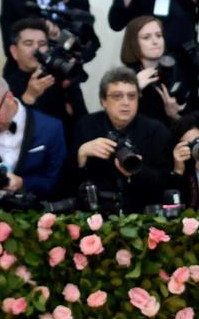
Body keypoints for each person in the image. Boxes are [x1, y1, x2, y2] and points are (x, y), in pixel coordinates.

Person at [72, 67, 172, 213]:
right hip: (95, 212)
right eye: (117, 96)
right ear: (103, 101)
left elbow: (166, 182)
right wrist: (81, 154)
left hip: (141, 213)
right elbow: (65, 182)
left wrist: (138, 170)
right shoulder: (86, 126)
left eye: (132, 96)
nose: (126, 102)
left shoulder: (156, 130)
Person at [0, 74, 66, 199]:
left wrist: (23, 183)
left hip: (33, 212)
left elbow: (56, 182)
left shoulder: (51, 128)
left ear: (9, 97)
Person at [2, 18, 87, 135]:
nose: (36, 49)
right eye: (28, 43)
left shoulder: (60, 78)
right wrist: (29, 97)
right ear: (14, 51)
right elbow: (8, 129)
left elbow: (81, 120)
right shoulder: (6, 86)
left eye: (42, 44)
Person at [120, 15, 199, 125]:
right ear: (134, 43)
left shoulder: (181, 70)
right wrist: (134, 89)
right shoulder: (124, 77)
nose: (155, 41)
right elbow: (117, 121)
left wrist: (174, 115)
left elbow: (197, 120)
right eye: (146, 37)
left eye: (159, 35)